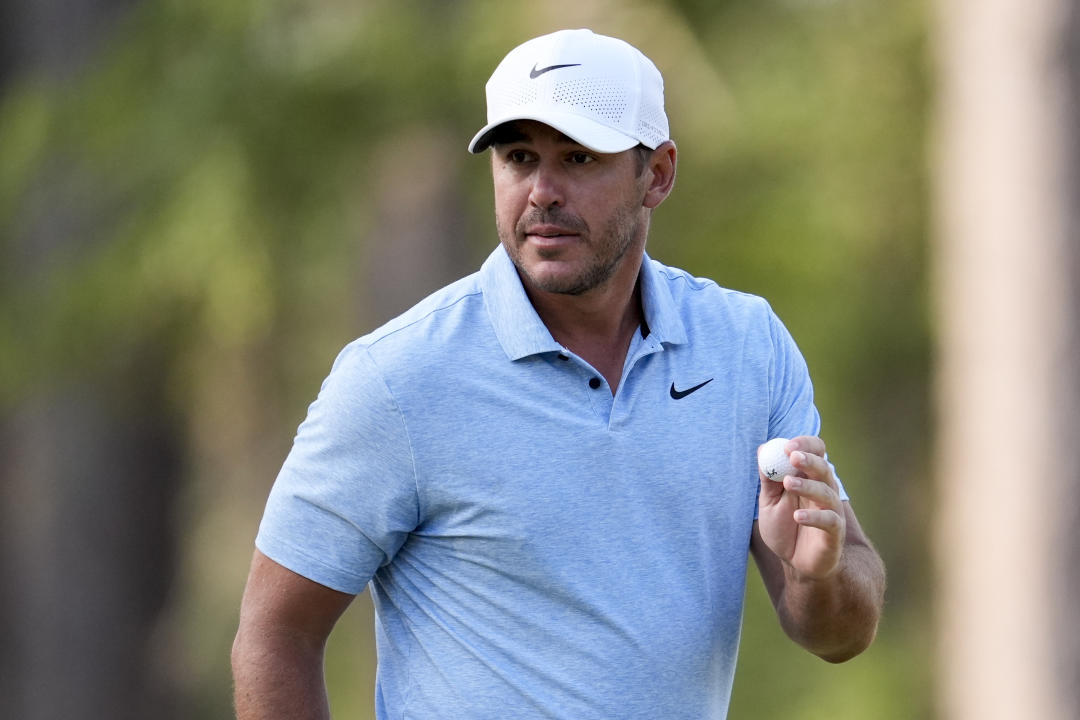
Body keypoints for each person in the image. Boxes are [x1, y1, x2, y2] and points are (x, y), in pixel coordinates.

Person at [231, 28, 886, 720]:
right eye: (519, 157)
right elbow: (276, 634)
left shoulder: (744, 347)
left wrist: (817, 577)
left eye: (578, 157)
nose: (542, 191)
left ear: (657, 174)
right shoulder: (397, 378)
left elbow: (840, 630)